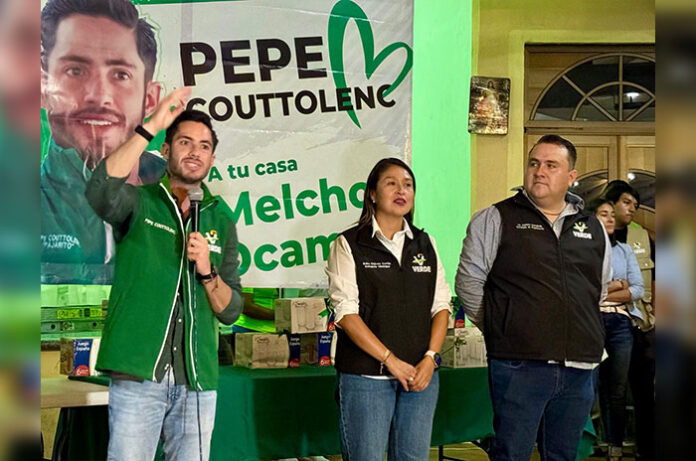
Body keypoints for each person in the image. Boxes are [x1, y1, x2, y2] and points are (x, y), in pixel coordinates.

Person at [85, 87, 244, 460]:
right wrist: (153, 124)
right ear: (167, 150)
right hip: (139, 373)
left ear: (212, 159)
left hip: (197, 379)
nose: (195, 152)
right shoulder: (140, 202)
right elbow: (100, 190)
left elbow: (231, 310)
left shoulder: (221, 218)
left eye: (204, 146)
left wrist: (208, 273)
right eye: (185, 142)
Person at [455, 134, 611, 461]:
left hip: (579, 365)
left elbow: (599, 288)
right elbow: (469, 283)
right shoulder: (495, 218)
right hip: (518, 364)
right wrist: (501, 326)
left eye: (551, 165)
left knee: (563, 455)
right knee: (512, 454)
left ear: (571, 176)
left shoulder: (593, 228)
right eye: (534, 163)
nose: (539, 171)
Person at [326, 158, 451, 460]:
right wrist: (390, 360)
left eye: (408, 185)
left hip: (420, 378)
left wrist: (431, 358)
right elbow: (346, 315)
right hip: (366, 379)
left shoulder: (425, 243)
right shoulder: (349, 244)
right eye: (391, 183)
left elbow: (441, 307)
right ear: (372, 193)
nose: (401, 190)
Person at [41, 0, 166, 284]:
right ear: (43, 87)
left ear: (149, 99)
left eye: (121, 75)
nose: (98, 96)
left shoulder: (176, 196)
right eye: (75, 71)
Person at [588, 198, 644, 461]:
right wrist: (617, 285)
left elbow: (638, 289)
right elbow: (584, 289)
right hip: (591, 322)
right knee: (589, 386)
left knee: (617, 389)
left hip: (620, 322)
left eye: (612, 214)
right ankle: (589, 444)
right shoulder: (583, 250)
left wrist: (604, 292)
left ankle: (615, 447)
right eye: (604, 214)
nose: (610, 218)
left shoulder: (624, 250)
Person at [603, 180, 655, 461]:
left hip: (641, 324)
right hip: (603, 323)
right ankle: (609, 444)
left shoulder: (642, 236)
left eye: (635, 204)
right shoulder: (593, 235)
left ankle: (645, 448)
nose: (632, 208)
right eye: (626, 202)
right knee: (610, 390)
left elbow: (648, 283)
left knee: (644, 390)